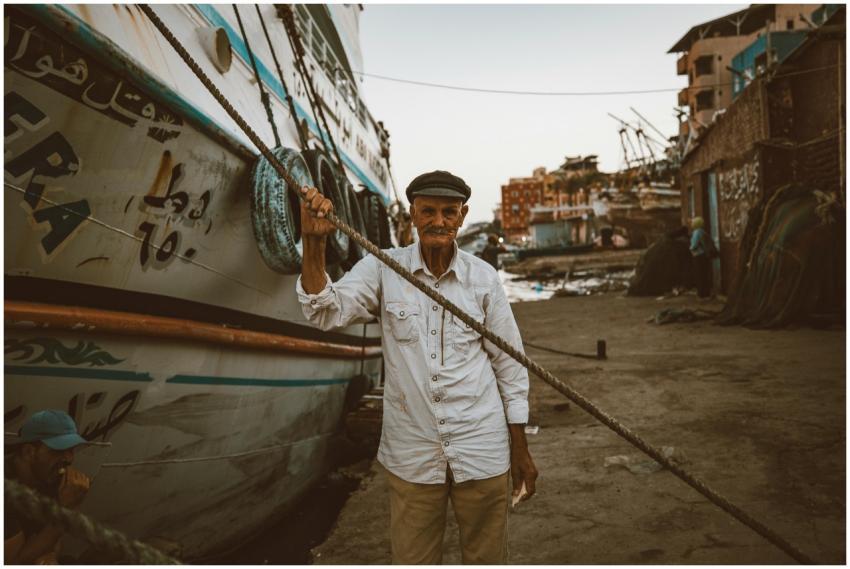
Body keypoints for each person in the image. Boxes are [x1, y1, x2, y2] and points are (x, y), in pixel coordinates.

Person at [297, 170, 538, 564]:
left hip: (482, 450)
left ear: (462, 217)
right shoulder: (382, 268)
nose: (438, 221)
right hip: (412, 456)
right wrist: (314, 240)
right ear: (412, 213)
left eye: (448, 212)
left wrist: (521, 449)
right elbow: (324, 310)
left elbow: (510, 366)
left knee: (487, 560)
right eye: (428, 211)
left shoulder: (484, 279)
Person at [5, 410, 92, 565]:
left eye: (71, 449)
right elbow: (12, 561)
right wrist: (67, 510)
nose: (69, 459)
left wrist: (51, 555)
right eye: (59, 450)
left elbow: (47, 536)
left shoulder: (48, 477)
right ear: (29, 451)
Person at [689, 216, 715, 299]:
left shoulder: (696, 232)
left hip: (698, 256)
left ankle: (702, 294)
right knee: (704, 274)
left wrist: (690, 248)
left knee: (699, 275)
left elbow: (694, 245)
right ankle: (706, 293)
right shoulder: (703, 232)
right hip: (704, 255)